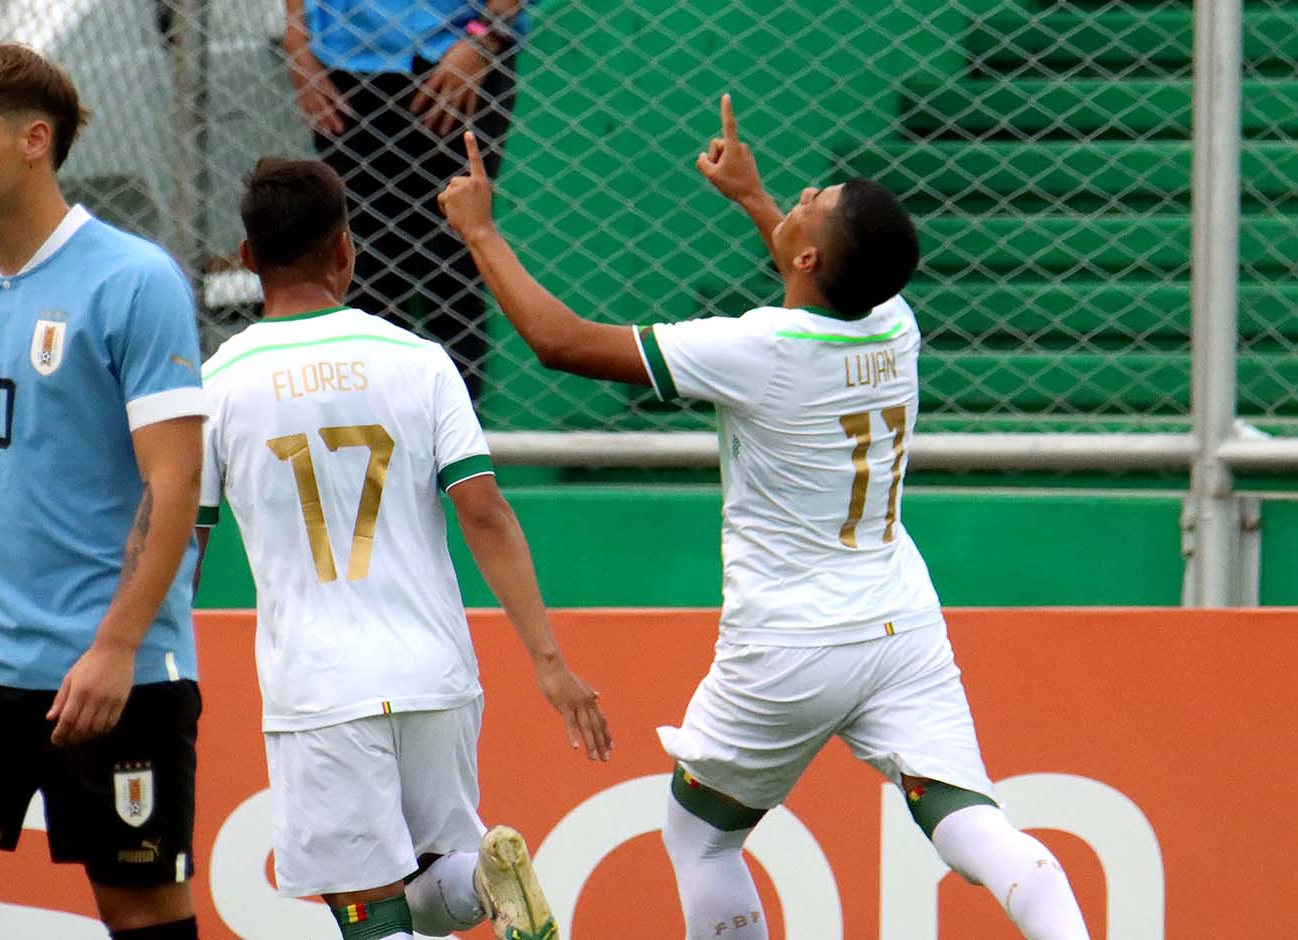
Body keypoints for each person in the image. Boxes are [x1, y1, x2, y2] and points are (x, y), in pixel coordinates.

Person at [438, 98, 1093, 939]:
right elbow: (818, 279)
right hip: (899, 626)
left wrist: (479, 231)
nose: (805, 193)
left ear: (811, 253)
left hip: (788, 642)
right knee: (968, 823)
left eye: (814, 202)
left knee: (700, 837)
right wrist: (756, 201)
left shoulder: (757, 350)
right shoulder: (894, 321)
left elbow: (559, 341)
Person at [194, 156, 610, 940]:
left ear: (247, 258)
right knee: (429, 878)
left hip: (320, 687)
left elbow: (187, 542)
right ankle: (480, 879)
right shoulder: (419, 359)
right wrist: (549, 663)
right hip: (433, 673)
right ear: (344, 249)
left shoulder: (218, 384)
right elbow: (484, 513)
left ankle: (473, 880)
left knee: (365, 912)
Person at [0, 43, 209, 940]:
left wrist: (116, 647)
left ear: (33, 142)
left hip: (115, 671)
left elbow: (174, 479)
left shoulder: (133, 279)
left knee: (142, 918)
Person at [283, 0, 527, 399]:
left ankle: (454, 428)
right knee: (360, 265)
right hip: (344, 63)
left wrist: (484, 39)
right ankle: (369, 423)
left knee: (451, 263)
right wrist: (297, 43)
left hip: (457, 55)